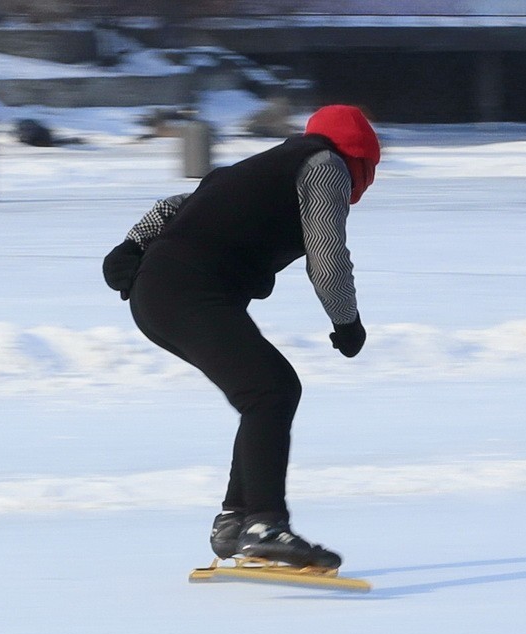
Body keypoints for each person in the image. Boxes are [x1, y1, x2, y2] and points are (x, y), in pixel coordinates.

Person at [102, 105, 381, 570]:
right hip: (188, 289)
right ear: (364, 160)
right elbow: (327, 255)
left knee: (266, 389)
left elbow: (177, 204)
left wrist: (130, 246)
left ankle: (236, 518)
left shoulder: (264, 165)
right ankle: (264, 525)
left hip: (159, 294)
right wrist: (347, 322)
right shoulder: (326, 165)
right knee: (270, 391)